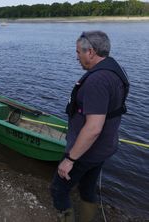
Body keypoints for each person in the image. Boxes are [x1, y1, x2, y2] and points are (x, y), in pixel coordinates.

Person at [50, 31, 129, 222]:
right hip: (105, 147)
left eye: (78, 52)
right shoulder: (116, 70)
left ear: (91, 52)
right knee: (87, 188)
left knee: (58, 188)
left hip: (86, 151)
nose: (76, 56)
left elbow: (93, 128)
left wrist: (70, 159)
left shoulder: (97, 81)